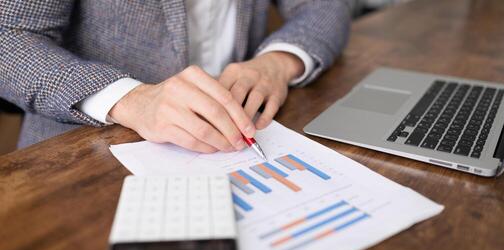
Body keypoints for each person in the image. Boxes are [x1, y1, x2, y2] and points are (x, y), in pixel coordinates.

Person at [0, 0, 352, 152]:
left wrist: (278, 61)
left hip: (235, 140)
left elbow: (325, 6)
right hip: (85, 154)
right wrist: (131, 98)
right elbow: (9, 38)